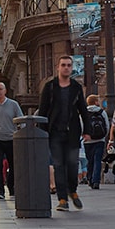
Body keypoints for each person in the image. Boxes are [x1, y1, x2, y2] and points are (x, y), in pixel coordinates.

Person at [38, 55, 88, 212]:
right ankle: (62, 199)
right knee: (59, 166)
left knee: (73, 165)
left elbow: (83, 110)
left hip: (72, 133)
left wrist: (87, 130)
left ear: (71, 68)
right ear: (58, 67)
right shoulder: (50, 87)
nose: (66, 67)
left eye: (68, 65)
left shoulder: (76, 87)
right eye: (63, 65)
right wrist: (43, 132)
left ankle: (72, 191)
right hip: (55, 134)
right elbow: (43, 111)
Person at [82, 95, 109, 189]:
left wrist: (83, 135)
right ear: (96, 102)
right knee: (97, 160)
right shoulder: (102, 112)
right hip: (100, 141)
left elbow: (81, 125)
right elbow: (107, 126)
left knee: (90, 161)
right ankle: (96, 181)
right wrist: (103, 137)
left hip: (87, 141)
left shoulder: (84, 112)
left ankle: (89, 179)